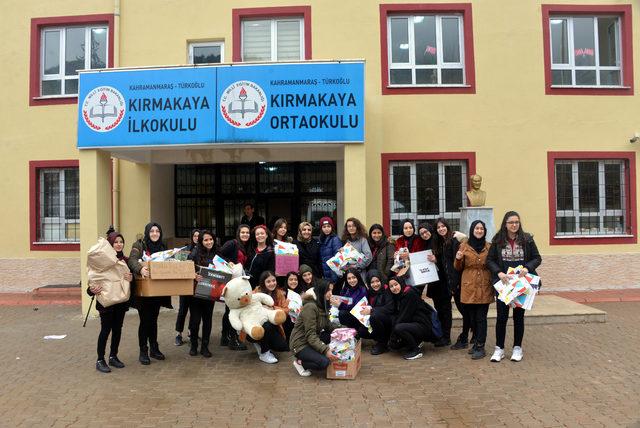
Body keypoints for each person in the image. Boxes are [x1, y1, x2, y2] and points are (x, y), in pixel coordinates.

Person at [487, 211, 542, 363]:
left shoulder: (527, 239)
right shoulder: (497, 240)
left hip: (521, 284)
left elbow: (537, 258)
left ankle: (517, 348)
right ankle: (499, 349)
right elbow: (489, 260)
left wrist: (527, 268)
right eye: (511, 222)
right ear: (505, 224)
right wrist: (498, 273)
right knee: (501, 317)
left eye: (516, 222)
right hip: (504, 285)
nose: (514, 225)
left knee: (519, 317)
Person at [128, 222, 172, 365]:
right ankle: (143, 351)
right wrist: (140, 269)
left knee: (153, 320)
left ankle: (154, 348)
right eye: (152, 231)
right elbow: (132, 260)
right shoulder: (139, 245)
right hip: (143, 292)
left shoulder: (162, 246)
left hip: (157, 291)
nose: (154, 233)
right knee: (145, 321)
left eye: (157, 231)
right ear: (147, 232)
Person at [88, 228, 132, 373]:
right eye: (116, 242)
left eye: (121, 242)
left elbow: (132, 280)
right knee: (105, 330)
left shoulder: (125, 260)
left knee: (118, 329)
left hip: (120, 300)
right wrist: (91, 291)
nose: (119, 245)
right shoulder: (101, 261)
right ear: (110, 244)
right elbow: (92, 281)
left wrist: (131, 279)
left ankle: (113, 356)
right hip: (106, 302)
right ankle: (100, 360)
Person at [454, 220, 493, 359]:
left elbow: (493, 264)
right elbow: (458, 267)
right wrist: (458, 259)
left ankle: (480, 346)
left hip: (484, 285)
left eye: (481, 228)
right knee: (472, 317)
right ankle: (476, 343)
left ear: (485, 231)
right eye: (476, 228)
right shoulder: (464, 246)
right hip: (469, 286)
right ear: (472, 230)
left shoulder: (489, 247)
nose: (479, 231)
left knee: (481, 317)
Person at [289, 280, 338, 377]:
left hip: (311, 339)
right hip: (300, 344)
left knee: (333, 335)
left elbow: (328, 326)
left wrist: (346, 331)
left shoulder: (322, 304)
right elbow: (310, 335)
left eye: (332, 290)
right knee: (324, 362)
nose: (331, 294)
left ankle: (315, 354)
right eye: (328, 290)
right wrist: (325, 350)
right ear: (321, 291)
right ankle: (300, 363)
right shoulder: (310, 307)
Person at [432, 218, 467, 350]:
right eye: (438, 227)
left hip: (456, 282)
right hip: (447, 283)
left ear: (447, 226)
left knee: (464, 310)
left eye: (443, 226)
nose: (441, 229)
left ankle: (469, 337)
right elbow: (444, 264)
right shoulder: (440, 242)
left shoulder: (454, 240)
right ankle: (453, 337)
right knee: (448, 311)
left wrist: (456, 283)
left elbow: (457, 263)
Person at [388, 276, 440, 360]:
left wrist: (393, 337)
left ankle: (416, 350)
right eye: (391, 286)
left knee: (399, 328)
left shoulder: (409, 294)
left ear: (401, 283)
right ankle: (416, 341)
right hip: (415, 323)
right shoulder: (399, 295)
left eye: (396, 284)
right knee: (395, 323)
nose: (394, 288)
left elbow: (405, 316)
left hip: (424, 326)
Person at [219, 224, 251, 351]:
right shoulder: (232, 243)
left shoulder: (246, 246)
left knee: (229, 310)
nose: (245, 234)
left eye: (247, 232)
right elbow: (219, 255)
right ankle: (233, 340)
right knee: (233, 310)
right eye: (242, 232)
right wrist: (228, 262)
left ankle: (224, 337)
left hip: (239, 283)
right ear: (238, 233)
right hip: (231, 283)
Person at [188, 230, 219, 358]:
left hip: (210, 291)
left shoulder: (217, 253)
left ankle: (205, 346)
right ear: (201, 241)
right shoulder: (194, 253)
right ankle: (194, 344)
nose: (209, 242)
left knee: (207, 320)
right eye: (205, 240)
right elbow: (186, 268)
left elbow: (224, 267)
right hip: (195, 293)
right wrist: (194, 276)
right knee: (195, 321)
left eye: (210, 239)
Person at [420, 222, 451, 347]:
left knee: (446, 309)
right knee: (439, 309)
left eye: (426, 231)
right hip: (434, 282)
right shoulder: (425, 244)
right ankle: (441, 334)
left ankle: (446, 337)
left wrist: (436, 260)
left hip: (444, 282)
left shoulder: (438, 241)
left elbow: (446, 260)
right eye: (421, 233)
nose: (424, 234)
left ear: (431, 230)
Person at [248, 271, 290, 364]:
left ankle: (260, 343)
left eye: (273, 280)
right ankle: (264, 353)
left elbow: (286, 310)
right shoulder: (255, 292)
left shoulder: (279, 293)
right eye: (268, 281)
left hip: (274, 325)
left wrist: (273, 308)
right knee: (267, 325)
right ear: (263, 282)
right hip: (255, 326)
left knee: (282, 347)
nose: (272, 283)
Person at [175, 228, 199, 346]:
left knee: (194, 310)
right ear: (192, 237)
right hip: (185, 284)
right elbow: (178, 265)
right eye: (195, 236)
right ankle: (178, 334)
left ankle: (191, 332)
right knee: (183, 310)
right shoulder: (185, 250)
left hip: (197, 285)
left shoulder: (203, 250)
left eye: (198, 236)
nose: (196, 238)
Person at [361, 270, 395, 355]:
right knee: (361, 331)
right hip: (375, 321)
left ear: (381, 280)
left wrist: (372, 310)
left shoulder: (387, 290)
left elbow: (390, 308)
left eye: (377, 281)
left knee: (374, 316)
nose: (375, 284)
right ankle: (380, 339)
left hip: (389, 321)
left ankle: (382, 343)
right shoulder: (369, 292)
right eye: (372, 282)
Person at [340, 217, 372, 288]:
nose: (351, 228)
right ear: (347, 228)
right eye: (349, 226)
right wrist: (341, 253)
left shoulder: (362, 240)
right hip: (348, 276)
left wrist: (356, 266)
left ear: (357, 227)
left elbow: (368, 257)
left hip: (360, 275)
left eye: (353, 226)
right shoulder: (345, 240)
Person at [247, 225, 275, 289]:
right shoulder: (251, 249)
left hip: (260, 286)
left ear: (266, 235)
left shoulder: (270, 253)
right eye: (257, 234)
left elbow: (270, 272)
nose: (260, 235)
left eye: (262, 233)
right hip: (247, 283)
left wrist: (261, 285)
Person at [318, 216, 342, 286]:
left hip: (333, 277)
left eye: (328, 226)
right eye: (324, 227)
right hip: (325, 276)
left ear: (332, 227)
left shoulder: (335, 239)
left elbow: (337, 260)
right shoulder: (321, 239)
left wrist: (334, 279)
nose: (326, 229)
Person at [282, 271, 302, 341]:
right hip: (287, 323)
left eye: (295, 279)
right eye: (291, 279)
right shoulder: (283, 293)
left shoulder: (300, 292)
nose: (293, 281)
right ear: (287, 280)